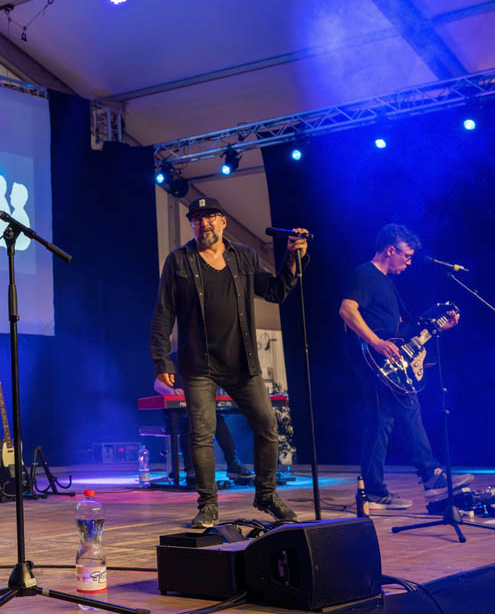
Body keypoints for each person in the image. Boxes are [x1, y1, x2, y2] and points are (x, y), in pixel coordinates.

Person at [150, 196, 306, 529]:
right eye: (197, 219)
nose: (203, 223)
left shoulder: (244, 256)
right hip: (199, 365)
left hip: (241, 362)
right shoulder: (179, 261)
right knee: (201, 434)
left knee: (267, 425)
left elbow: (275, 291)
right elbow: (164, 312)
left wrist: (293, 258)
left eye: (210, 217)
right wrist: (161, 360)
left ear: (223, 221)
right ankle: (208, 505)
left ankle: (266, 495)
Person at [339, 224, 472, 509]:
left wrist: (438, 327)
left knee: (381, 421)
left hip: (385, 359)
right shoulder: (365, 274)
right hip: (372, 358)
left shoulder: (387, 283)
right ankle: (430, 476)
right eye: (407, 256)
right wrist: (377, 342)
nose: (409, 262)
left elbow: (401, 331)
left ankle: (375, 490)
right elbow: (347, 310)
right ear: (390, 250)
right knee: (405, 408)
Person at [153, 372, 254, 486]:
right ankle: (191, 470)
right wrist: (171, 391)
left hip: (199, 408)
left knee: (217, 418)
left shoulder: (201, 365)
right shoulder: (172, 363)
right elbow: (158, 385)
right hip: (177, 414)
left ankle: (233, 464)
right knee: (188, 421)